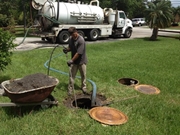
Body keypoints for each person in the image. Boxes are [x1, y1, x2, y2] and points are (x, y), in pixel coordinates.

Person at [63, 27, 88, 95]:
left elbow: (78, 53)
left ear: (76, 31)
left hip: (82, 61)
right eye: (72, 35)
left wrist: (71, 60)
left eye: (74, 34)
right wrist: (67, 50)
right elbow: (71, 47)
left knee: (83, 75)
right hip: (74, 62)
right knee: (71, 76)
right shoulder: (71, 39)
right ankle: (70, 89)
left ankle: (83, 87)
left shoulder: (81, 40)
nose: (74, 36)